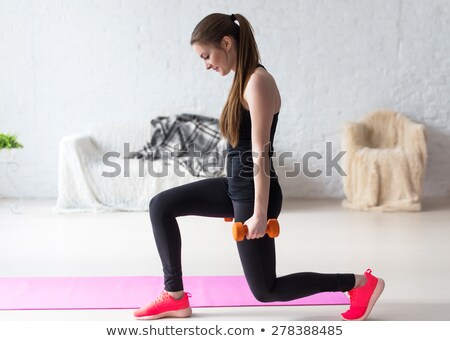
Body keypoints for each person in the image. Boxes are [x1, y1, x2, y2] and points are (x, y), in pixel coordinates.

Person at [133, 13, 385, 321]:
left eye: (207, 56)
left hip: (253, 194)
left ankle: (359, 283)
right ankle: (173, 296)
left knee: (267, 290)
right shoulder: (244, 80)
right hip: (235, 187)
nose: (207, 65)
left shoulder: (258, 82)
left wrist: (259, 214)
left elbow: (260, 154)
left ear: (226, 43)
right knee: (161, 205)